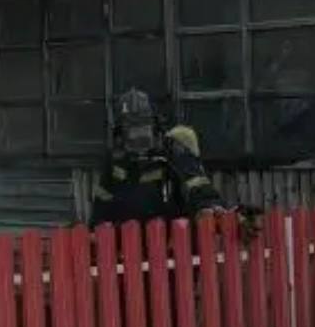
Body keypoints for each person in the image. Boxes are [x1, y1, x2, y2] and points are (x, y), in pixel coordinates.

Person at [88, 89, 223, 226]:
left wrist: (207, 205)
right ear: (121, 134)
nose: (139, 136)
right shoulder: (114, 162)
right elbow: (100, 207)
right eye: (133, 130)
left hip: (172, 238)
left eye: (144, 127)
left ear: (155, 126)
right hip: (125, 239)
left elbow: (196, 182)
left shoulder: (172, 152)